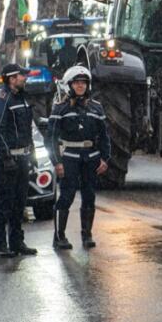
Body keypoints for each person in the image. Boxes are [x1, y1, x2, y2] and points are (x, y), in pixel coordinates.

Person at [46, 65, 110, 250]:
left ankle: (87, 234)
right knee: (66, 196)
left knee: (89, 197)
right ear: (70, 85)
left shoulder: (97, 108)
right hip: (70, 158)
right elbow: (50, 138)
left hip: (91, 158)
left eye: (84, 83)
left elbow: (104, 136)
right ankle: (59, 237)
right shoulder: (60, 109)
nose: (81, 86)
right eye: (77, 83)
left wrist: (105, 159)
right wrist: (57, 162)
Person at [0, 63, 37, 258]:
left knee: (19, 203)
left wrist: (31, 155)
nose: (24, 79)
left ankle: (17, 242)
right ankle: (0, 246)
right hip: (8, 161)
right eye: (21, 76)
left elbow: (28, 130)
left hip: (23, 158)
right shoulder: (2, 100)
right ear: (11, 79)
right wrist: (7, 157)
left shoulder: (23, 99)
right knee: (4, 204)